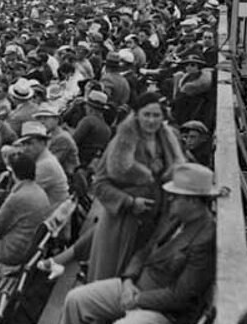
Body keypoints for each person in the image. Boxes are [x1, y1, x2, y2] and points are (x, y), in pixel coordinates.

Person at [60, 163, 217, 324]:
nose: (170, 199)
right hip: (135, 287)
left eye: (176, 196)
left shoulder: (205, 237)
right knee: (76, 300)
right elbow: (144, 251)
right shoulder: (176, 217)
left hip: (163, 311)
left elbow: (180, 296)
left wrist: (138, 299)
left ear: (193, 201)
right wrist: (128, 281)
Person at [88, 92, 186, 282]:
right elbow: (99, 184)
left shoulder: (167, 140)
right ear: (137, 115)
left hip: (156, 221)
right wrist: (129, 202)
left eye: (156, 115)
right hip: (123, 223)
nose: (151, 120)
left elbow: (180, 169)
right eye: (146, 115)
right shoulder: (121, 143)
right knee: (113, 274)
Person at [15, 121, 69, 207]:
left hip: (51, 213)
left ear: (43, 143)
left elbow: (22, 193)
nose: (25, 148)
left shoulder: (45, 164)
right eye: (24, 144)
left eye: (30, 143)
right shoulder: (43, 158)